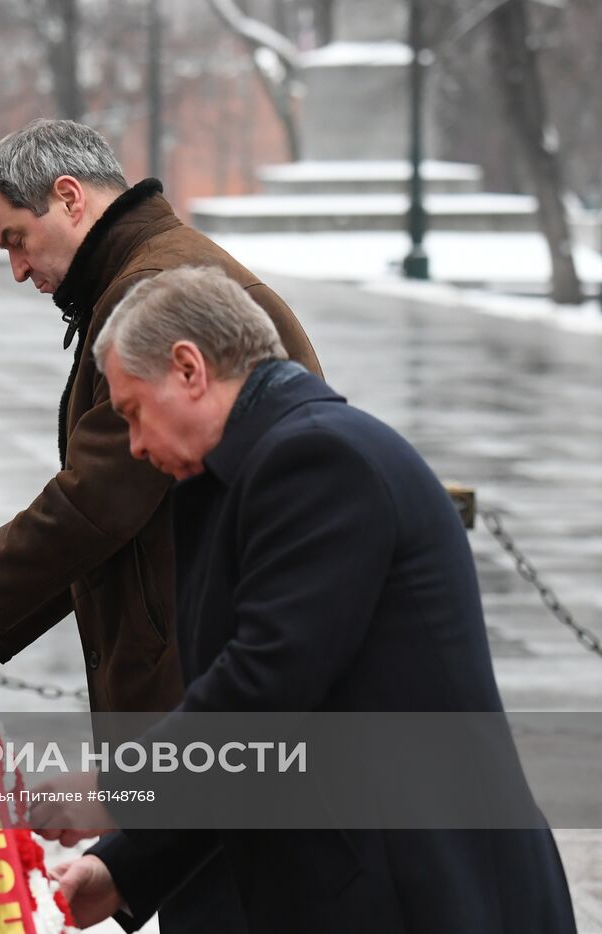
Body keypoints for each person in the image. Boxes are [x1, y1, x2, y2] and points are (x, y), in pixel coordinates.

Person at [52, 265, 576, 932]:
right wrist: (124, 870)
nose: (135, 443)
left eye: (133, 411)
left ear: (189, 369)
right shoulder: (244, 477)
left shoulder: (318, 461)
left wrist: (117, 786)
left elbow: (264, 690)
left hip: (429, 895)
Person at [0, 118, 320, 930]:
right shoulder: (147, 275)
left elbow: (96, 501)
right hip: (202, 682)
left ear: (70, 199)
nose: (15, 269)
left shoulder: (158, 289)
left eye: (18, 238)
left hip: (207, 684)